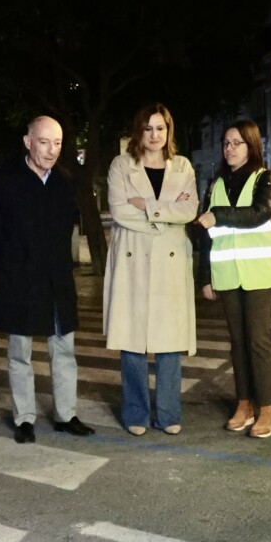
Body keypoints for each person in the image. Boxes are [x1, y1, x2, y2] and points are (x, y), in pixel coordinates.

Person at [0, 115, 95, 444]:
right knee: (20, 353)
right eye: (44, 142)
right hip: (19, 281)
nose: (52, 150)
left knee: (64, 351)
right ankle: (24, 418)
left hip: (58, 282)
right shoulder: (3, 182)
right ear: (28, 142)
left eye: (57, 143)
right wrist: (5, 271)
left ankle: (66, 415)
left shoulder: (64, 181)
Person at [105, 103, 199, 436]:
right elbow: (118, 211)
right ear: (138, 131)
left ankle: (169, 413)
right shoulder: (120, 165)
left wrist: (147, 207)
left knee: (170, 342)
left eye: (161, 128)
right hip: (132, 260)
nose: (155, 135)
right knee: (132, 340)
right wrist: (165, 215)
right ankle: (136, 413)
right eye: (148, 128)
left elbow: (189, 209)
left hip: (171, 263)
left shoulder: (183, 165)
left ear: (168, 131)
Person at [196, 120, 271, 439]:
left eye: (236, 143)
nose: (229, 148)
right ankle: (244, 405)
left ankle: (268, 411)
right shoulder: (216, 183)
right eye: (226, 143)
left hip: (260, 274)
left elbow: (261, 212)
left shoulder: (266, 178)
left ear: (251, 145)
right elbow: (205, 236)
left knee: (258, 341)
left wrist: (219, 214)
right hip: (227, 274)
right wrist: (204, 277)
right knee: (237, 343)